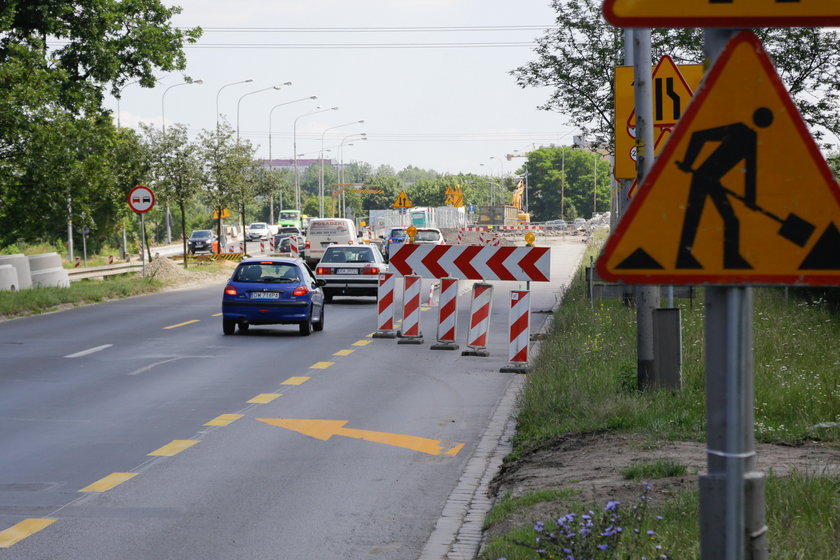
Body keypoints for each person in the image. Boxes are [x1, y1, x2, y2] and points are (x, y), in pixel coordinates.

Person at [674, 107, 774, 269]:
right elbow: (698, 136)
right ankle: (685, 257)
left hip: (712, 181)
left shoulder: (752, 138)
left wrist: (750, 199)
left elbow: (750, 171)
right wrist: (688, 163)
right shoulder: (738, 130)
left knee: (728, 219)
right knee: (695, 216)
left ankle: (730, 259)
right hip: (702, 178)